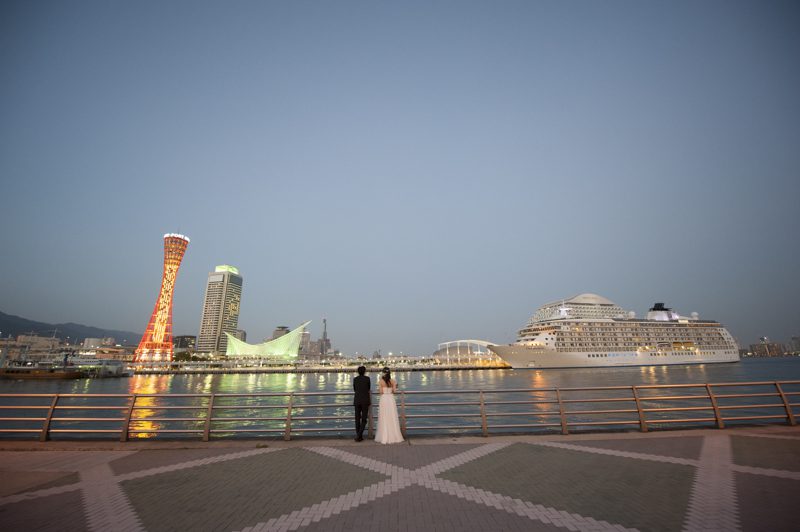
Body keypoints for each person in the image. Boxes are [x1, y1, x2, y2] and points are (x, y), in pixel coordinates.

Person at [375, 367, 404, 444]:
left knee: (384, 416)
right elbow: (394, 391)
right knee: (392, 416)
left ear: (383, 373)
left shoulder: (380, 381)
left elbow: (380, 392)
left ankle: (383, 435)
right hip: (391, 399)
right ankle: (394, 435)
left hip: (384, 399)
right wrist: (395, 387)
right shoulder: (393, 381)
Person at [352, 365, 370, 442]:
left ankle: (359, 436)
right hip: (365, 401)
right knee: (364, 419)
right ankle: (359, 436)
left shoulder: (355, 379)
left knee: (357, 419)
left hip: (357, 400)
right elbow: (368, 388)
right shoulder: (367, 379)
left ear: (358, 372)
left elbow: (355, 389)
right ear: (365, 371)